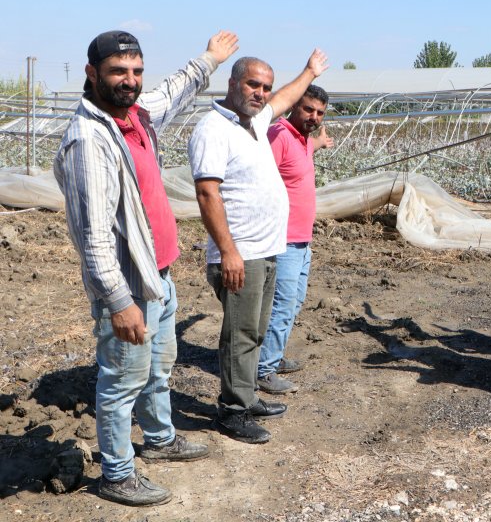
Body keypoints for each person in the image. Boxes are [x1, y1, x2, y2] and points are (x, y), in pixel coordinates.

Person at [54, 29, 239, 506]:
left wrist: (210, 60)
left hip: (158, 274)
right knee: (120, 381)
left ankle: (159, 439)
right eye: (118, 71)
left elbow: (173, 89)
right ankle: (116, 473)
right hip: (130, 284)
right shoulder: (89, 140)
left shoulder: (135, 116)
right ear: (92, 73)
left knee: (158, 366)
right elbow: (92, 237)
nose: (130, 81)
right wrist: (118, 303)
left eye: (136, 71)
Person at [188, 48, 329, 444]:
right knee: (240, 333)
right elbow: (207, 194)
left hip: (266, 249)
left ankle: (248, 397)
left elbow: (285, 98)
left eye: (265, 86)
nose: (261, 92)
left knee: (254, 330)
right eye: (253, 84)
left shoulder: (255, 122)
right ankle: (232, 412)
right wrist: (228, 251)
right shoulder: (213, 129)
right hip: (241, 253)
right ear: (232, 84)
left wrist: (308, 71)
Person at [256, 85, 334, 394]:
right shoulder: (278, 135)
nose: (314, 117)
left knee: (295, 301)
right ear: (293, 106)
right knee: (281, 305)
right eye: (308, 109)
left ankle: (272, 357)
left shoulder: (301, 139)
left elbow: (305, 150)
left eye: (320, 113)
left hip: (302, 240)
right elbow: (260, 178)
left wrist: (319, 143)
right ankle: (263, 370)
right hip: (284, 240)